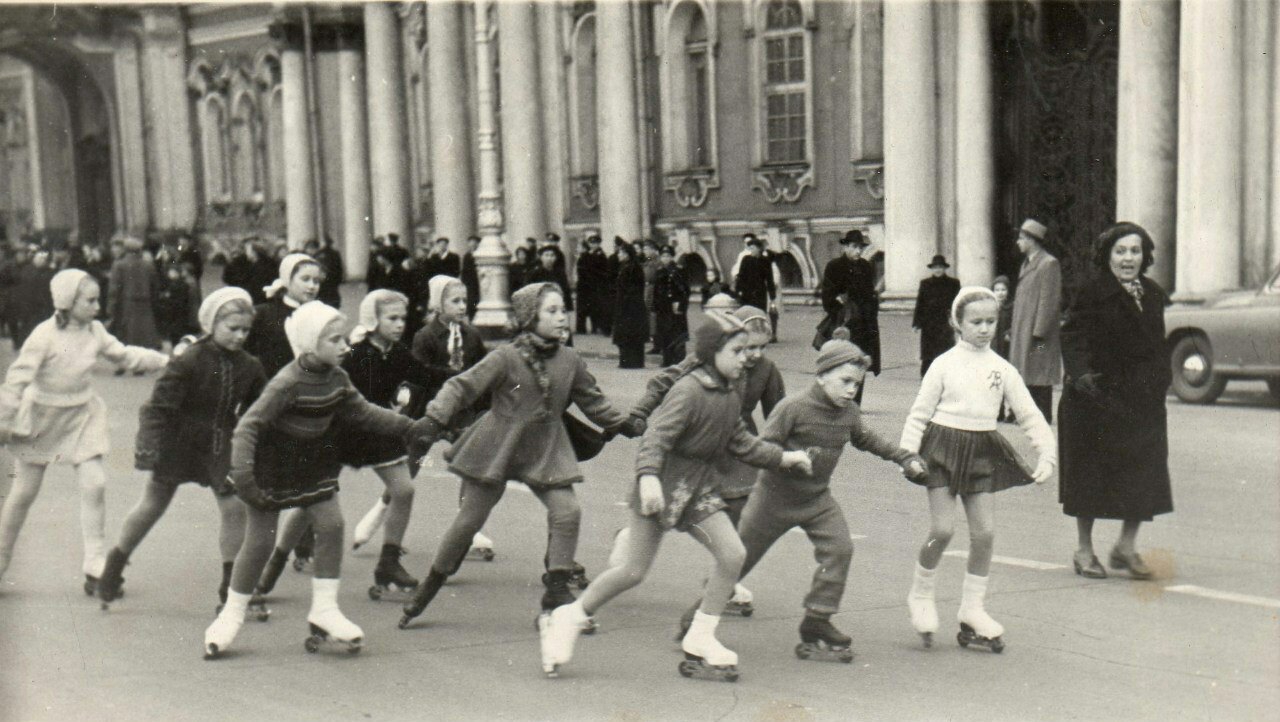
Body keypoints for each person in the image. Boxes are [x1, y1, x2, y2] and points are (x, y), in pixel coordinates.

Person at [538, 312, 814, 681]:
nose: (745, 358)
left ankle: (701, 636)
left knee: (733, 553)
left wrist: (784, 458)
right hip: (661, 486)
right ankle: (568, 617)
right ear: (712, 352)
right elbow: (656, 439)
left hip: (698, 489)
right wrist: (648, 478)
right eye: (737, 351)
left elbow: (742, 442)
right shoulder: (688, 391)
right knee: (632, 571)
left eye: (747, 350)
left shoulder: (730, 391)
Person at [397, 283, 642, 629]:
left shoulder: (569, 360)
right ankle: (431, 585)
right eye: (552, 311)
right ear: (530, 318)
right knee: (469, 521)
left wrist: (623, 423)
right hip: (499, 444)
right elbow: (460, 386)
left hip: (546, 448)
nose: (562, 318)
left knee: (567, 512)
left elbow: (593, 400)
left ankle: (556, 591)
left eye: (563, 310)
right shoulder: (506, 357)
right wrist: (434, 418)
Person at [204, 301, 433, 658]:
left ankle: (325, 611)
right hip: (273, 465)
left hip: (313, 462)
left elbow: (363, 412)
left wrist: (409, 426)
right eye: (334, 340)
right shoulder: (288, 382)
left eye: (344, 338)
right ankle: (230, 615)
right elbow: (248, 426)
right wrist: (244, 474)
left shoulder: (337, 378)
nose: (345, 346)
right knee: (260, 542)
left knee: (332, 525)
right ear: (311, 343)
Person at [679, 331, 926, 660]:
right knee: (738, 560)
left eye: (857, 384)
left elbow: (869, 440)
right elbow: (763, 447)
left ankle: (817, 620)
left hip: (816, 500)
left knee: (839, 549)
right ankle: (697, 619)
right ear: (822, 376)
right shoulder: (792, 408)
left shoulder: (849, 413)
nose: (851, 390)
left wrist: (904, 457)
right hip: (772, 500)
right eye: (845, 381)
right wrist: (785, 459)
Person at [900, 287, 1056, 652]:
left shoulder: (1003, 369)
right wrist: (907, 454)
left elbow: (1029, 414)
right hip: (942, 447)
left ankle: (972, 608)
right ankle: (920, 595)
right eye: (976, 322)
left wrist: (1047, 452)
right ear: (958, 323)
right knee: (942, 529)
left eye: (991, 321)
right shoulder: (943, 364)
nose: (985, 329)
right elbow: (919, 413)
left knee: (984, 533)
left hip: (983, 449)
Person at [96, 289, 268, 613]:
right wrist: (148, 446)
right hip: (178, 440)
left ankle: (231, 589)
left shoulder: (250, 365)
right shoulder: (189, 360)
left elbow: (262, 406)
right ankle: (113, 567)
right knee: (153, 504)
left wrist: (257, 436)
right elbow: (157, 408)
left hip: (220, 443)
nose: (240, 336)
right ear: (211, 323)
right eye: (232, 328)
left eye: (245, 330)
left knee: (234, 507)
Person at [0, 270, 168, 592]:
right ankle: (2, 558)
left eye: (97, 300)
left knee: (95, 483)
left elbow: (125, 355)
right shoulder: (43, 336)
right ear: (67, 301)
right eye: (90, 301)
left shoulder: (95, 331)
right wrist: (4, 419)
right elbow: (16, 380)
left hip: (81, 415)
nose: (97, 307)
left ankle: (94, 561)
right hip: (42, 418)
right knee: (23, 493)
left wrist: (164, 361)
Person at [631, 304, 784, 619]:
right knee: (693, 509)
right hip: (703, 437)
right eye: (748, 347)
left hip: (738, 440)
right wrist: (640, 411)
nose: (754, 354)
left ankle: (722, 577)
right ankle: (632, 538)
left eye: (762, 347)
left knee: (739, 507)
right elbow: (663, 383)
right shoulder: (705, 362)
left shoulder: (767, 370)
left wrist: (781, 453)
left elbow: (778, 414)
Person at [1058, 222, 1173, 581]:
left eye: (1135, 251)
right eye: (1120, 251)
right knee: (1089, 476)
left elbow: (1157, 343)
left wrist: (1162, 379)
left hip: (1142, 399)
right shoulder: (1091, 292)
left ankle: (1125, 546)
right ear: (1107, 256)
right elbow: (1072, 335)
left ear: (1145, 256)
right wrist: (1082, 377)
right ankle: (1084, 550)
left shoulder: (1152, 294)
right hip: (1096, 397)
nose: (1128, 258)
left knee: (1143, 472)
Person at [348, 276, 490, 556]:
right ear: (438, 304)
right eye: (455, 301)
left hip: (462, 412)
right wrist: (406, 402)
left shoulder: (472, 336)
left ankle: (469, 527)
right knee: (409, 466)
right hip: (429, 410)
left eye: (465, 300)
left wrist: (481, 389)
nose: (462, 306)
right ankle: (376, 515)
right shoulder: (425, 336)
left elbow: (483, 368)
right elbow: (418, 374)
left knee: (472, 462)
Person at [1009, 218, 1062, 423]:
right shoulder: (1027, 264)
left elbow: (1049, 300)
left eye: (1021, 238)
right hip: (1024, 328)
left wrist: (1039, 331)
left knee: (1039, 370)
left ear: (1032, 240)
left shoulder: (1048, 263)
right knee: (1026, 370)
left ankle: (1043, 414)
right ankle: (1028, 414)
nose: (1018, 242)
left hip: (1039, 333)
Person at [818, 230, 880, 404]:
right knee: (841, 361)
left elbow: (870, 294)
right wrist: (840, 306)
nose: (858, 251)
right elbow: (827, 297)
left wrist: (871, 312)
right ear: (845, 247)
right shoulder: (834, 266)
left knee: (859, 362)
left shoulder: (866, 266)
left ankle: (855, 404)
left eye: (860, 247)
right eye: (854, 247)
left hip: (864, 324)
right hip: (843, 324)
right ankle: (836, 400)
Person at [245, 253, 322, 380]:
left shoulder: (320, 313)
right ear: (287, 280)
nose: (312, 286)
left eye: (316, 281)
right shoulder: (263, 314)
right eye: (305, 279)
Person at [109, 237, 162, 359]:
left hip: (125, 305)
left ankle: (126, 362)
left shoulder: (119, 265)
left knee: (126, 337)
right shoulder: (148, 265)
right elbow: (155, 287)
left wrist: (111, 308)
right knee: (143, 336)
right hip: (145, 305)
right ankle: (143, 361)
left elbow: (114, 290)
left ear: (125, 249)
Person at [912, 254, 961, 376]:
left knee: (946, 354)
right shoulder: (925, 283)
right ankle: (926, 379)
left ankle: (946, 379)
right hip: (929, 325)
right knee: (928, 356)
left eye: (940, 267)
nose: (938, 270)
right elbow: (920, 303)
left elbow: (958, 303)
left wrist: (958, 321)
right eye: (935, 267)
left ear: (944, 268)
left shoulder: (953, 283)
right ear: (932, 269)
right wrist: (916, 323)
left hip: (946, 325)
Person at [611, 241, 649, 369]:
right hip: (625, 306)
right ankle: (626, 360)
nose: (619, 255)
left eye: (621, 253)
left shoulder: (634, 268)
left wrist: (625, 301)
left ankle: (633, 362)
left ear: (627, 254)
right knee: (626, 334)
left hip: (631, 307)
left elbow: (634, 288)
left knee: (631, 334)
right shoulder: (625, 267)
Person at [651, 245, 689, 366]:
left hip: (674, 307)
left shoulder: (678, 271)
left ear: (672, 257)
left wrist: (681, 305)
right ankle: (666, 359)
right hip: (663, 307)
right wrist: (654, 306)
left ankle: (678, 359)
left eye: (668, 256)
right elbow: (656, 291)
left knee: (676, 333)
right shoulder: (659, 271)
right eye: (663, 256)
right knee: (664, 333)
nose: (665, 258)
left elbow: (684, 290)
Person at [574, 235, 610, 335]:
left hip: (595, 284)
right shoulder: (587, 254)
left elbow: (601, 271)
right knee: (585, 306)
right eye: (591, 243)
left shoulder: (600, 255)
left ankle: (596, 327)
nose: (593, 245)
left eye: (595, 243)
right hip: (585, 284)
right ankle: (582, 328)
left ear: (598, 244)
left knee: (596, 306)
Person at [155, 263, 197, 346]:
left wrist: (167, 298)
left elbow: (174, 300)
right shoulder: (182, 284)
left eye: (171, 272)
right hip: (181, 314)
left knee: (175, 335)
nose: (169, 274)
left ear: (176, 273)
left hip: (175, 314)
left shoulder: (176, 285)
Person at [992, 275, 1015, 422]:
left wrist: (1009, 333)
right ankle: (997, 411)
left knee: (1009, 380)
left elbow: (1017, 323)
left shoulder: (1012, 307)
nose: (1000, 293)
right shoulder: (990, 307)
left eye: (1003, 290)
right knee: (995, 379)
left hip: (1007, 347)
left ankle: (1012, 412)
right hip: (993, 347)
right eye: (997, 290)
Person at [311, 236, 345, 309]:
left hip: (325, 283)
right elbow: (339, 268)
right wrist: (339, 279)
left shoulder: (319, 254)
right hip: (332, 281)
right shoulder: (335, 253)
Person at [460, 235, 480, 318]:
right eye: (471, 243)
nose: (472, 245)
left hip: (479, 282)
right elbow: (464, 271)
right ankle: (472, 317)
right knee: (471, 301)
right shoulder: (467, 256)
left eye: (474, 243)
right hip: (470, 283)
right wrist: (463, 282)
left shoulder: (481, 254)